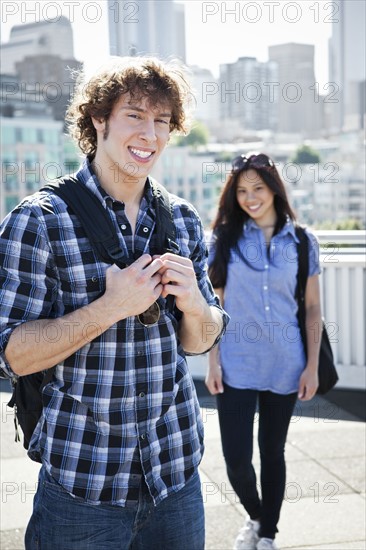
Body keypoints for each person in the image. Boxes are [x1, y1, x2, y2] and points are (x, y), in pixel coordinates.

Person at [0, 56, 229, 550]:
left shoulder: (183, 219)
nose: (151, 134)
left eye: (162, 121)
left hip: (176, 475)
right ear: (98, 120)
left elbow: (202, 339)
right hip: (83, 486)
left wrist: (194, 305)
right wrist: (110, 307)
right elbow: (11, 355)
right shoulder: (39, 221)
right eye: (135, 116)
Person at [205, 153, 322, 550]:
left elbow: (311, 307)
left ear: (274, 188)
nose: (250, 198)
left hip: (287, 364)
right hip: (237, 364)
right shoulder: (224, 240)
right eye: (241, 191)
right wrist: (213, 361)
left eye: (257, 188)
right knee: (236, 459)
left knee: (273, 452)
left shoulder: (303, 241)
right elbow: (213, 306)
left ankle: (268, 535)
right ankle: (257, 517)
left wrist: (312, 368)